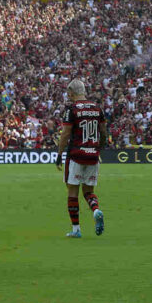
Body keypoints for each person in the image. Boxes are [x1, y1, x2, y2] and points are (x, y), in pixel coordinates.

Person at [56, 79, 107, 238]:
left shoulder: (71, 109)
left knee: (72, 191)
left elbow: (65, 134)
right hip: (93, 155)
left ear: (72, 92)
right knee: (88, 191)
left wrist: (59, 154)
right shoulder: (98, 108)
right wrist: (99, 149)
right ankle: (96, 210)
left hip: (76, 155)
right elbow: (104, 133)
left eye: (68, 92)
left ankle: (76, 229)